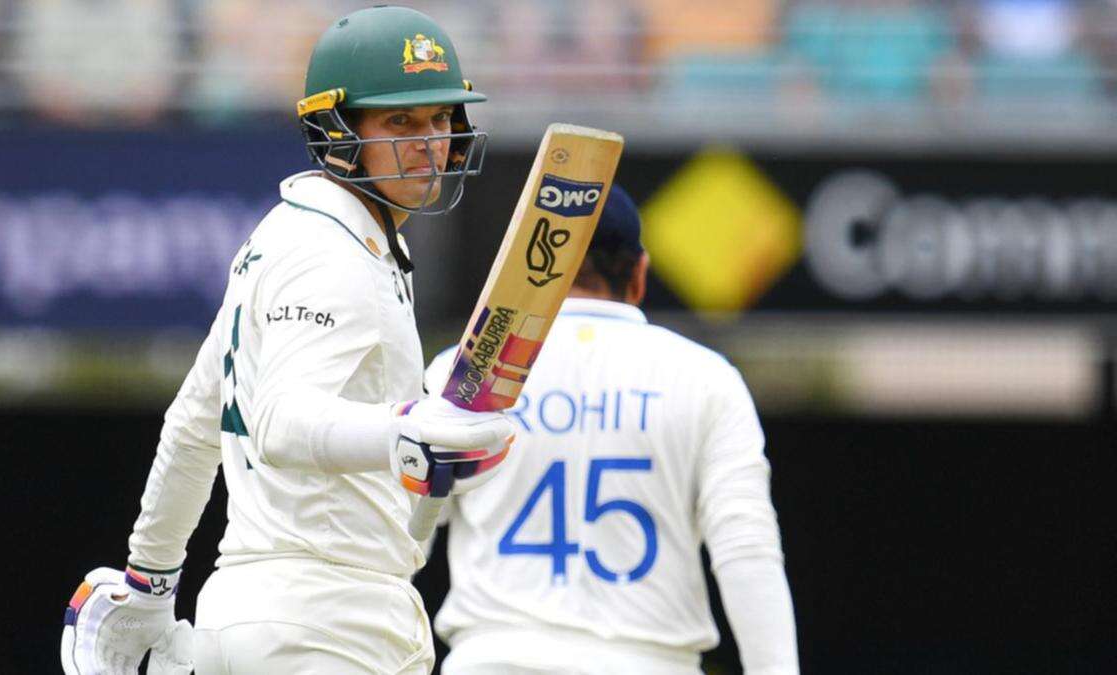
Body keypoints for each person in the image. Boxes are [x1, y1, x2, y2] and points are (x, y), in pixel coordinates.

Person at [60, 6, 514, 675]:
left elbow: (192, 427)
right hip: (325, 625)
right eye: (401, 121)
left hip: (267, 611)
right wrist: (405, 430)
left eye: (441, 118)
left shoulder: (295, 238)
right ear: (337, 129)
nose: (430, 141)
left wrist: (150, 582)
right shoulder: (328, 254)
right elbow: (279, 422)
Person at [424, 186, 800, 675]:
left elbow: (408, 531)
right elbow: (746, 547)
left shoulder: (462, 372)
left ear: (523, 272)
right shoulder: (706, 378)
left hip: (495, 660)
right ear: (640, 274)